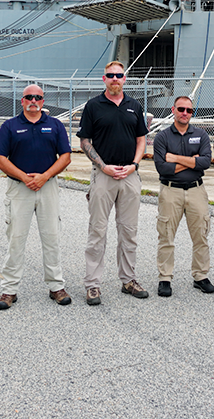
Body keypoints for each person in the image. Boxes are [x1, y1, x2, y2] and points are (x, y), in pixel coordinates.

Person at [0, 84, 72, 310]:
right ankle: (9, 290)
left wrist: (44, 177)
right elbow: (0, 159)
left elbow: (65, 157)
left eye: (38, 97)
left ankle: (56, 286)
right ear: (22, 101)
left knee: (51, 237)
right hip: (19, 189)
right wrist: (25, 178)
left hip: (47, 188)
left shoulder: (55, 125)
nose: (33, 101)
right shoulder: (10, 126)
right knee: (16, 238)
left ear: (43, 101)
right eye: (29, 97)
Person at [78, 61, 149, 305]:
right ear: (104, 79)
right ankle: (92, 284)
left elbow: (142, 139)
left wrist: (135, 165)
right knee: (97, 231)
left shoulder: (134, 106)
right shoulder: (93, 106)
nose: (115, 79)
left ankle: (128, 280)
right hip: (103, 176)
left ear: (125, 79)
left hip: (129, 176)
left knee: (129, 231)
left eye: (119, 75)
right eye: (111, 75)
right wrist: (103, 166)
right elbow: (85, 141)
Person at [152, 96, 214, 297]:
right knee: (166, 235)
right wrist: (191, 161)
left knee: (200, 236)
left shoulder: (201, 135)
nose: (185, 113)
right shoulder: (162, 137)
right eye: (181, 109)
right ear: (173, 110)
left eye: (189, 110)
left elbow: (205, 162)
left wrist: (175, 159)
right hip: (171, 191)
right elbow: (162, 167)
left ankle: (200, 276)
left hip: (196, 190)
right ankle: (165, 278)